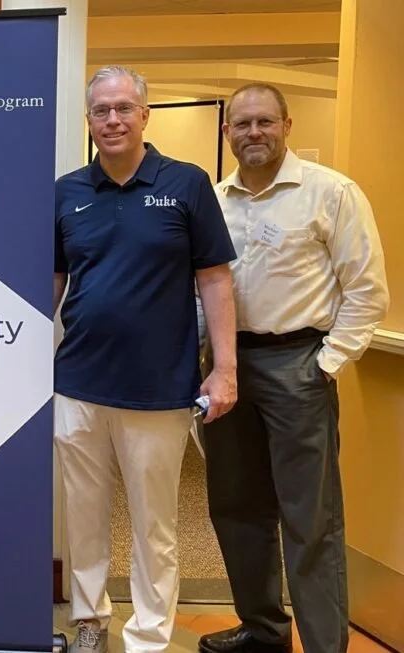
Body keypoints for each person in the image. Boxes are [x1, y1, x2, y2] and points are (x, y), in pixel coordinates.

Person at [52, 66, 238, 653]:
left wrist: (225, 367)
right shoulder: (68, 191)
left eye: (124, 108)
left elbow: (215, 280)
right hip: (78, 381)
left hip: (159, 387)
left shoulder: (186, 184)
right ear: (89, 121)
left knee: (154, 525)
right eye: (102, 110)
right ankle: (88, 619)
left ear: (144, 115)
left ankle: (149, 636)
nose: (113, 119)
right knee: (83, 516)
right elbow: (53, 282)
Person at [198, 83, 389, 653]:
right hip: (229, 368)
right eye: (241, 124)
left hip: (298, 365)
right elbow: (201, 288)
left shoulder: (331, 193)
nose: (252, 133)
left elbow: (366, 292)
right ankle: (263, 630)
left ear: (286, 124)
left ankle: (325, 645)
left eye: (264, 122)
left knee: (311, 521)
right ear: (226, 131)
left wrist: (325, 365)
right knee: (235, 508)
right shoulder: (213, 199)